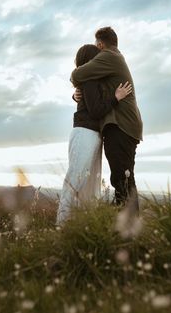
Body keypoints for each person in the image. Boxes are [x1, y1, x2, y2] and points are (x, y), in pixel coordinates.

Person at [56, 44, 132, 225]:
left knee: (90, 182)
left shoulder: (91, 81)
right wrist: (116, 97)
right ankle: (61, 223)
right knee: (76, 178)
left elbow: (90, 103)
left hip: (92, 134)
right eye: (97, 58)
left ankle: (81, 224)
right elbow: (97, 111)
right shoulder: (89, 80)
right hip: (85, 132)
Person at [71, 27, 143, 214]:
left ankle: (128, 226)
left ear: (101, 45)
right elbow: (94, 93)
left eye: (96, 46)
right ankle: (127, 225)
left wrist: (77, 82)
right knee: (124, 178)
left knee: (122, 179)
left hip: (120, 126)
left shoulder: (108, 56)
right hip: (124, 126)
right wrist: (76, 94)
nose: (96, 52)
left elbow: (77, 74)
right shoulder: (115, 59)